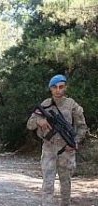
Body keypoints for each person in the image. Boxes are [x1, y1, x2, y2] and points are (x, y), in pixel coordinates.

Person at [27, 74, 88, 206]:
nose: (58, 90)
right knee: (48, 184)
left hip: (66, 150)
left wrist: (75, 142)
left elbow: (83, 127)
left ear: (65, 87)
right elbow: (29, 124)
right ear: (50, 89)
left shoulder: (72, 105)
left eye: (61, 87)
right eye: (55, 87)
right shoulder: (45, 104)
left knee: (66, 186)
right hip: (49, 149)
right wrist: (40, 121)